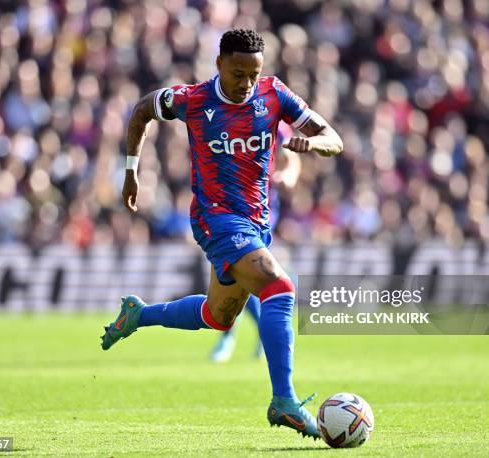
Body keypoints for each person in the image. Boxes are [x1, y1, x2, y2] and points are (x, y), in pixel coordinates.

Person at [100, 29, 343, 439]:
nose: (246, 82)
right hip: (217, 218)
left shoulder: (274, 94)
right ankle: (283, 399)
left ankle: (138, 315)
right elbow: (142, 110)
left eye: (254, 73)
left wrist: (315, 145)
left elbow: (334, 138)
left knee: (218, 315)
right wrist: (130, 170)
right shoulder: (192, 99)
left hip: (257, 223)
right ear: (219, 64)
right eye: (238, 72)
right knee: (279, 289)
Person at [210, 123, 301, 363]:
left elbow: (291, 158)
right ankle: (263, 330)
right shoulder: (222, 115)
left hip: (260, 212)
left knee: (240, 275)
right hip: (226, 210)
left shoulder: (274, 121)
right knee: (237, 277)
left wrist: (287, 176)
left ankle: (234, 335)